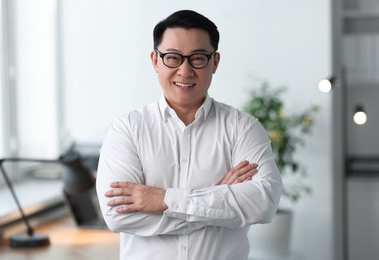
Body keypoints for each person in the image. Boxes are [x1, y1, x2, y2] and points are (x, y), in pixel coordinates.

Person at [96, 9, 282, 260]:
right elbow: (118, 216)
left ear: (214, 62)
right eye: (173, 58)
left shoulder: (243, 128)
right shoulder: (127, 129)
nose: (185, 71)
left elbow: (264, 202)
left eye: (198, 58)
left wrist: (164, 199)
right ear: (155, 61)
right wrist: (219, 199)